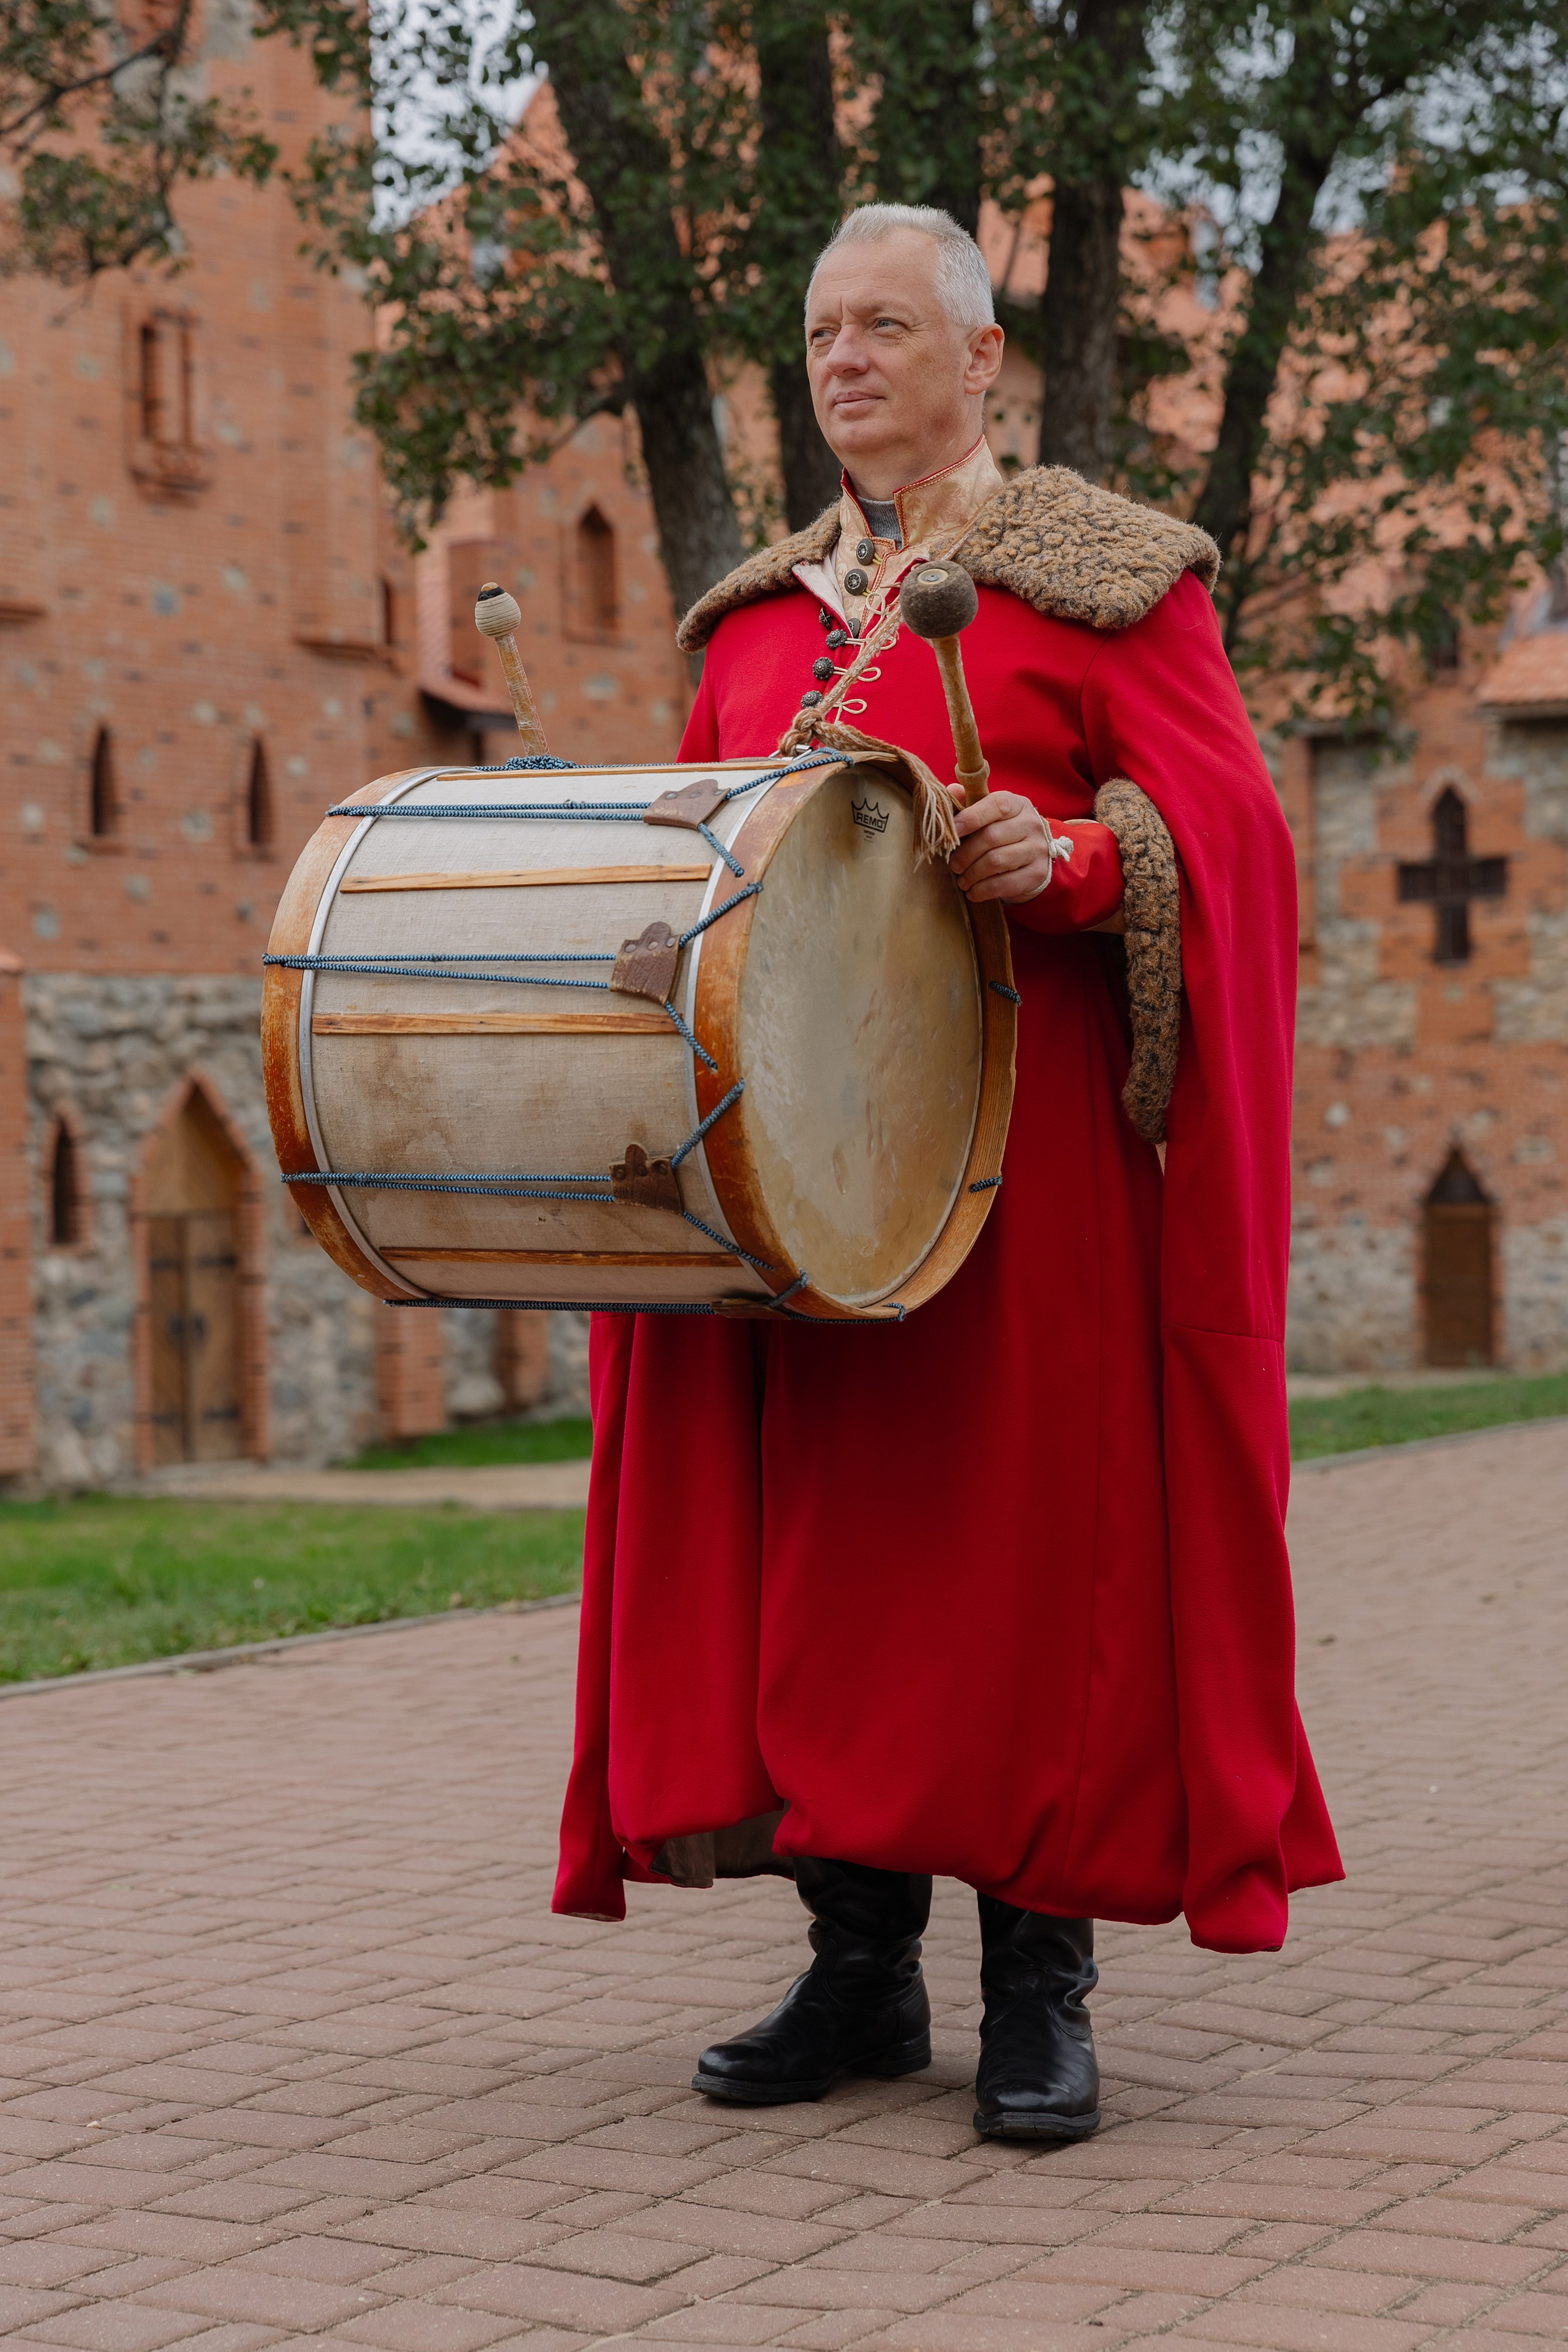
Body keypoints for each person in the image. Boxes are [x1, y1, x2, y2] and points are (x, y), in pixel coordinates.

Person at [554, 202, 1343, 2141]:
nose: (846, 359)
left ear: (982, 357)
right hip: (797, 1189)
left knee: (1016, 1563)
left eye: (887, 326)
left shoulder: (1108, 581)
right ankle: (860, 1967)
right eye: (826, 329)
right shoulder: (755, 627)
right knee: (825, 1563)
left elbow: (1235, 842)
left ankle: (1037, 1983)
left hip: (1026, 1176)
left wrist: (1073, 863)